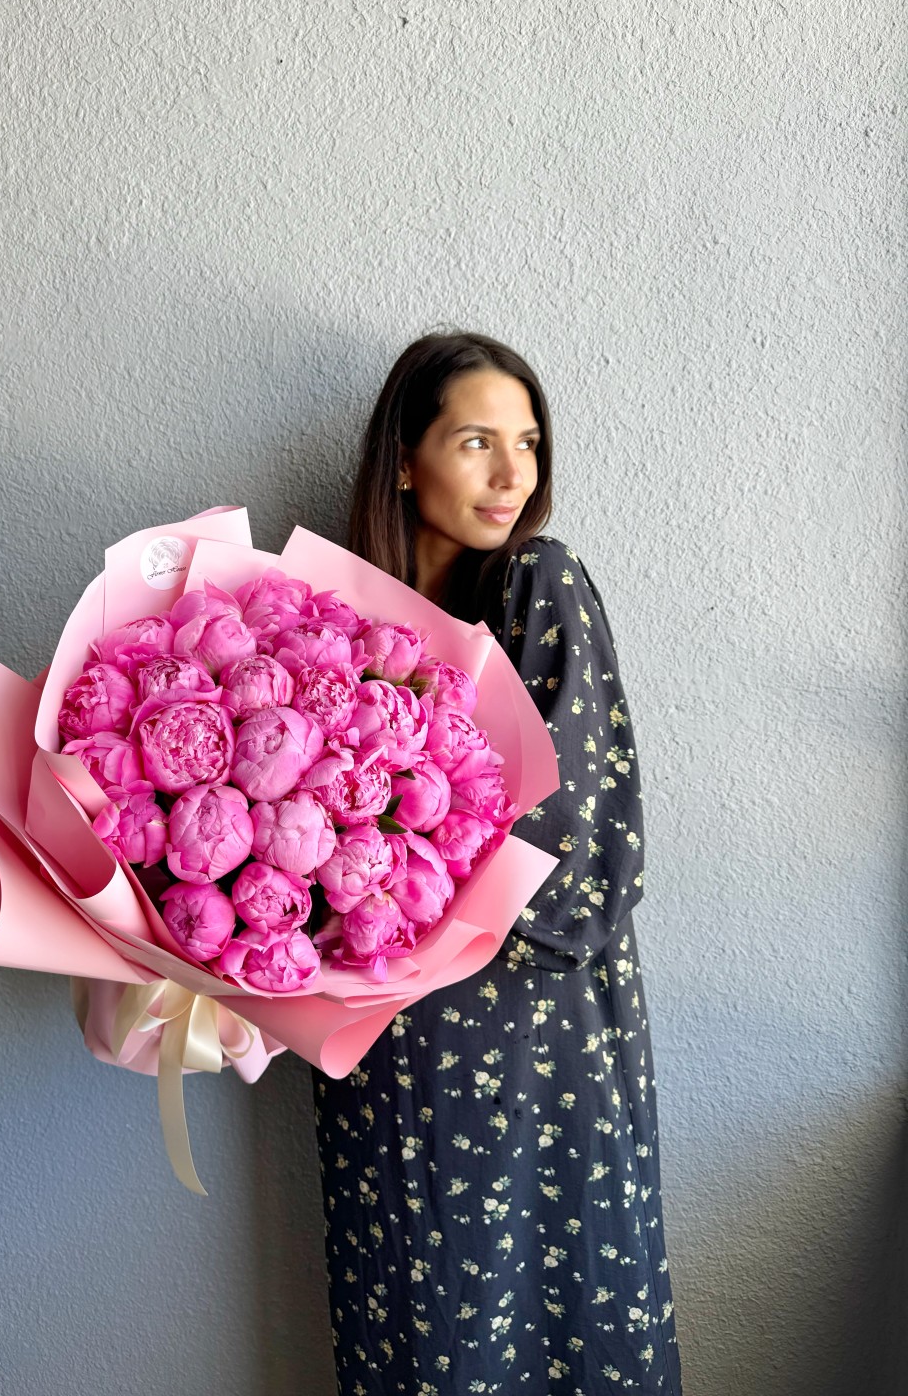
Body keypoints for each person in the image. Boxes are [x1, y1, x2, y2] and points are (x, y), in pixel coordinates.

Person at [311, 331, 684, 1394]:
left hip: (526, 1041)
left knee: (532, 1323)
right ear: (403, 458)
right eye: (478, 441)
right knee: (415, 1327)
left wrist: (363, 859)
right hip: (379, 1041)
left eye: (526, 442)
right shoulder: (335, 634)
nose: (514, 474)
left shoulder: (535, 579)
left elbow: (576, 843)